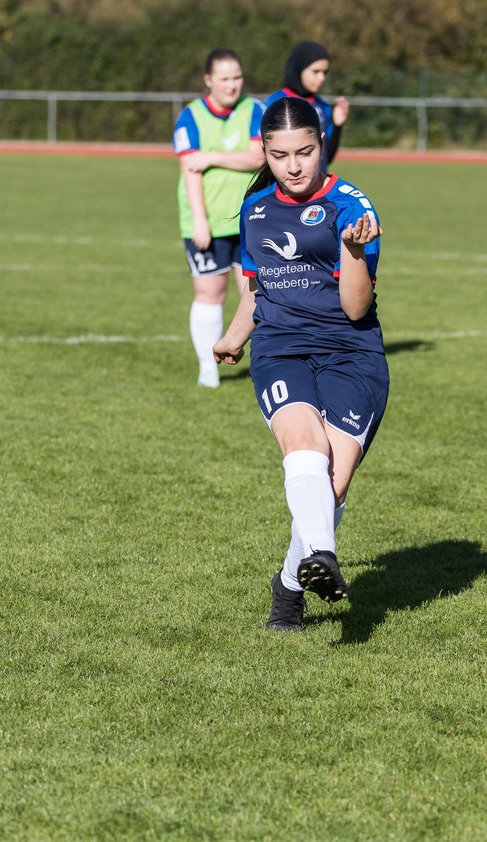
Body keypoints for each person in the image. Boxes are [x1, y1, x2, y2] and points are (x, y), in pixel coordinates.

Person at [213, 97, 386, 632]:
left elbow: (356, 308)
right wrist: (235, 336)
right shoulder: (256, 207)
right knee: (303, 446)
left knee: (329, 486)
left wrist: (355, 254)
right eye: (281, 154)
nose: (293, 165)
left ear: (322, 147)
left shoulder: (352, 209)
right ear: (264, 150)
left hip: (351, 352)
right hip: (280, 347)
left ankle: (290, 583)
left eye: (305, 152)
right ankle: (324, 559)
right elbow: (255, 288)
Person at [173, 48, 265, 388]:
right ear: (208, 80)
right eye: (224, 78)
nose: (232, 85)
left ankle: (264, 364)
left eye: (237, 77)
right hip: (207, 221)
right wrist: (200, 219)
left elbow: (259, 156)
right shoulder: (191, 117)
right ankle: (208, 367)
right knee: (210, 293)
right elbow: (190, 169)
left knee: (258, 294)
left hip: (250, 219)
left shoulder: (254, 109)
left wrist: (210, 155)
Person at [263, 41, 349, 169]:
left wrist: (337, 125)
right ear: (299, 69)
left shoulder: (323, 106)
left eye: (325, 72)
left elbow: (326, 157)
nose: (322, 78)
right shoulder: (274, 103)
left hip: (317, 186)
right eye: (316, 71)